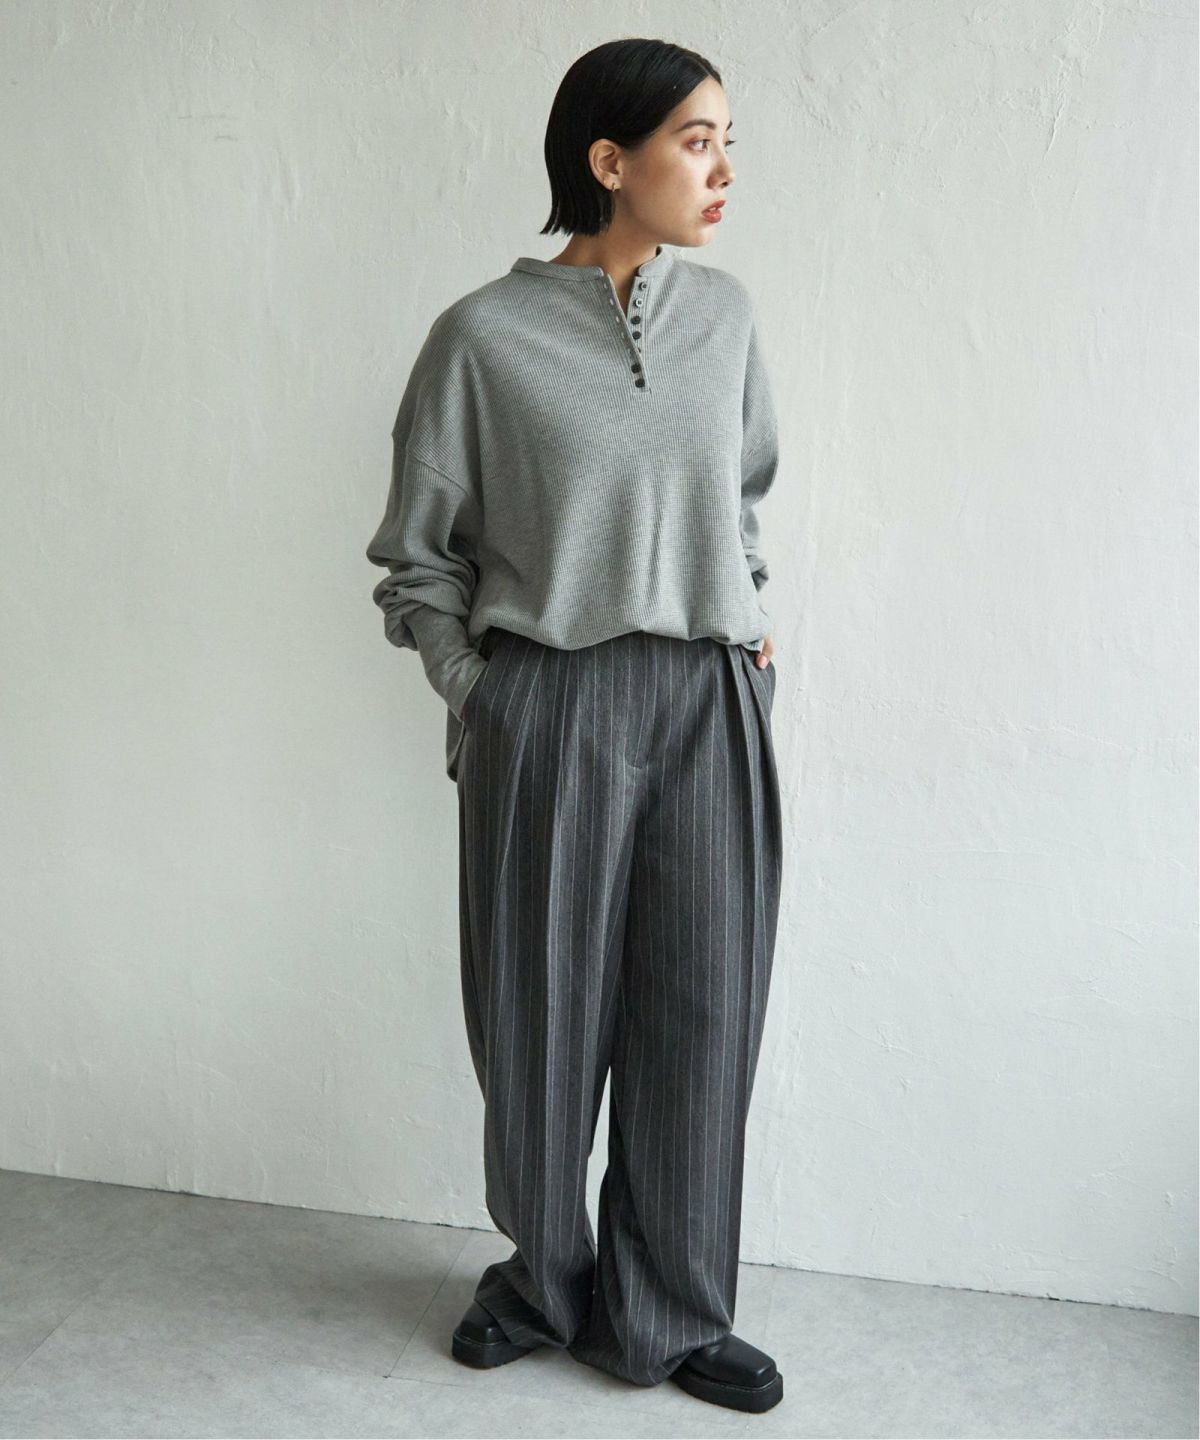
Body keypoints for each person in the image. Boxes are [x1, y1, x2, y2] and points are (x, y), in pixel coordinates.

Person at [365, 37, 784, 1416]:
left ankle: (669, 1308)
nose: (722, 171)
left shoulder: (725, 319)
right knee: (540, 1013)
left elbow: (742, 499)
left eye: (727, 142)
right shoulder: (483, 338)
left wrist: (749, 621)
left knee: (702, 1015)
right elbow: (418, 556)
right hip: (548, 697)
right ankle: (541, 1280)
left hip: (708, 700)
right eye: (696, 142)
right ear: (610, 161)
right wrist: (476, 689)